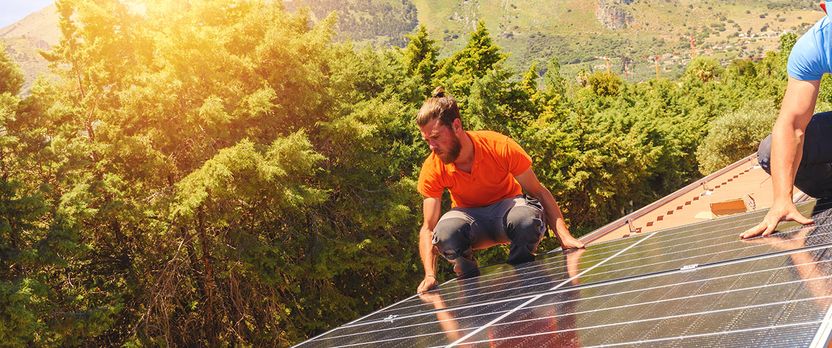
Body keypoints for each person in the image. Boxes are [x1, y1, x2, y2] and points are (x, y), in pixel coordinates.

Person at [415, 87, 584, 294]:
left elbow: (538, 192)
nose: (432, 146)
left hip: (508, 215)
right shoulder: (433, 166)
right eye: (427, 141)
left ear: (456, 126)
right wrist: (430, 274)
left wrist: (564, 237)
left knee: (526, 218)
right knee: (446, 232)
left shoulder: (498, 146)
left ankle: (523, 271)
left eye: (436, 137)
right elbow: (428, 227)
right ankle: (467, 277)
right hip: (471, 222)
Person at [742, 8, 832, 239]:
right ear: (826, 8)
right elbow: (791, 126)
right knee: (771, 151)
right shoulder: (815, 46)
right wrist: (782, 199)